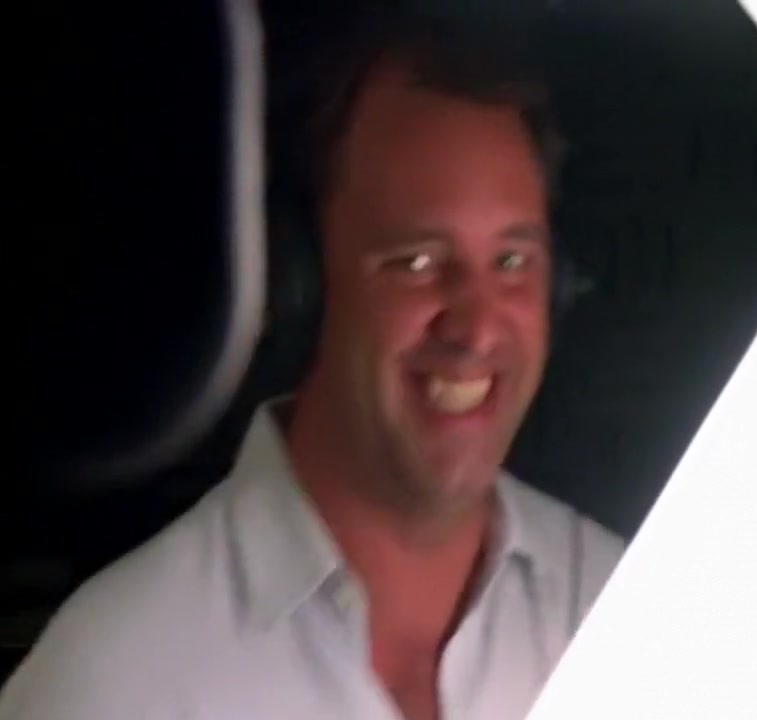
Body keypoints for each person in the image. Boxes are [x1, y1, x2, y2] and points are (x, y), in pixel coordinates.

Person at [0, 4, 625, 719]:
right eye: (416, 262)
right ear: (297, 287)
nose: (478, 327)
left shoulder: (630, 612)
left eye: (511, 262)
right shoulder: (115, 680)